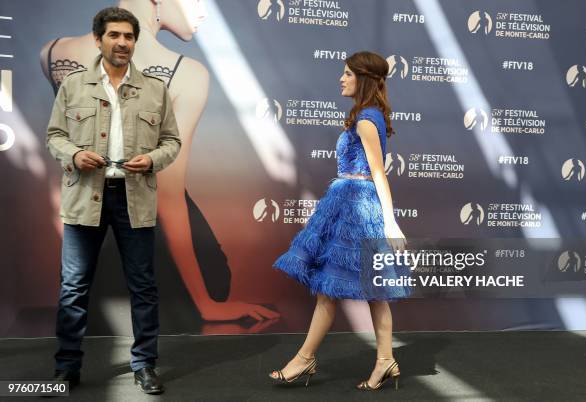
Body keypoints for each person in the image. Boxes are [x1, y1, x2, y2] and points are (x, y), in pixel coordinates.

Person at [40, 0, 279, 324]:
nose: (203, 11)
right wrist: (205, 302)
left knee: (83, 291)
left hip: (89, 229)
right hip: (144, 233)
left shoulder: (53, 53)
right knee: (202, 277)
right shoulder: (187, 73)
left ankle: (77, 364)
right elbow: (167, 193)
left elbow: (62, 142)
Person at [46, 7, 181, 394]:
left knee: (143, 286)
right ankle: (67, 367)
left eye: (129, 36)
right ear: (98, 40)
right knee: (73, 286)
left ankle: (144, 365)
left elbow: (172, 142)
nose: (123, 43)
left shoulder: (155, 90)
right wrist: (73, 154)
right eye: (115, 35)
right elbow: (55, 134)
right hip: (83, 197)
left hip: (134, 197)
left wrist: (152, 159)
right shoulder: (73, 86)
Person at [270, 51, 409, 391]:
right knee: (371, 292)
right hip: (352, 205)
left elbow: (378, 173)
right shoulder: (369, 115)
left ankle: (304, 359)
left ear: (362, 78)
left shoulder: (365, 119)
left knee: (328, 290)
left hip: (356, 211)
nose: (341, 78)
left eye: (347, 73)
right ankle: (385, 360)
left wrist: (390, 223)